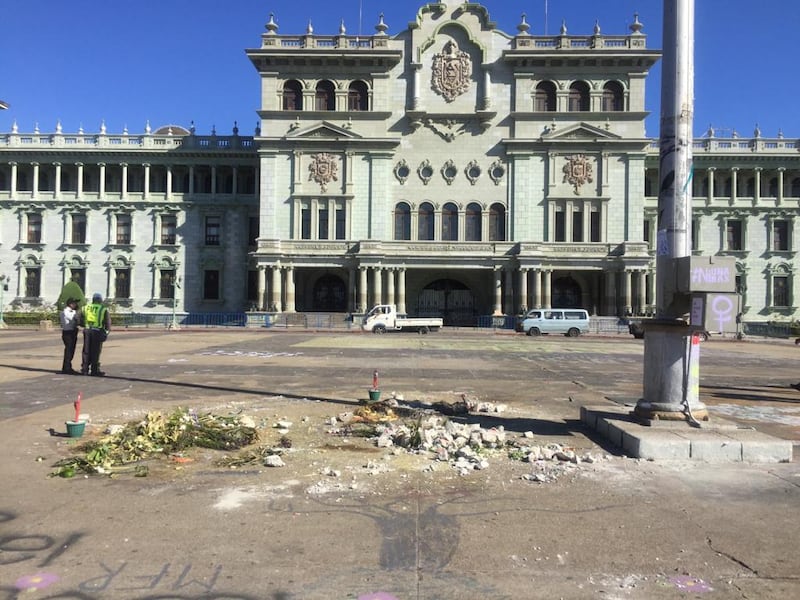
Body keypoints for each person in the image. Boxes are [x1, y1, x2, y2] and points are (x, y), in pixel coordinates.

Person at [80, 292, 111, 376]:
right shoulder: (103, 308)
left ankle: (85, 369)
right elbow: (107, 321)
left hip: (87, 330)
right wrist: (106, 332)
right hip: (97, 331)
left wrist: (83, 325)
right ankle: (94, 370)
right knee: (96, 351)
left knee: (86, 350)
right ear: (100, 300)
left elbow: (78, 317)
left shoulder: (86, 307)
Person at [59, 298, 80, 374]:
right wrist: (77, 314)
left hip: (71, 332)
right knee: (69, 351)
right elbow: (74, 319)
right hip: (69, 333)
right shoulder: (66, 312)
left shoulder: (69, 311)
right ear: (71, 304)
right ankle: (66, 368)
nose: (76, 305)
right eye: (75, 303)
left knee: (71, 350)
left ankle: (68, 367)